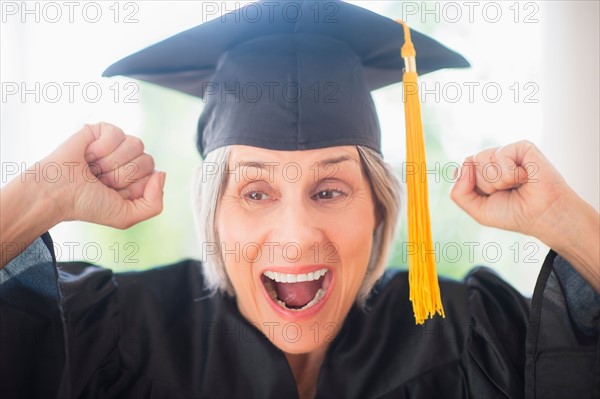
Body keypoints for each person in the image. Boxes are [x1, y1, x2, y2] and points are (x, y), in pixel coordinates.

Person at [1, 1, 598, 398]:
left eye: (330, 190)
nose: (296, 234)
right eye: (256, 191)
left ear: (380, 209)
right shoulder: (116, 335)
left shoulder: (466, 336)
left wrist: (567, 222)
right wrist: (35, 200)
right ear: (213, 216)